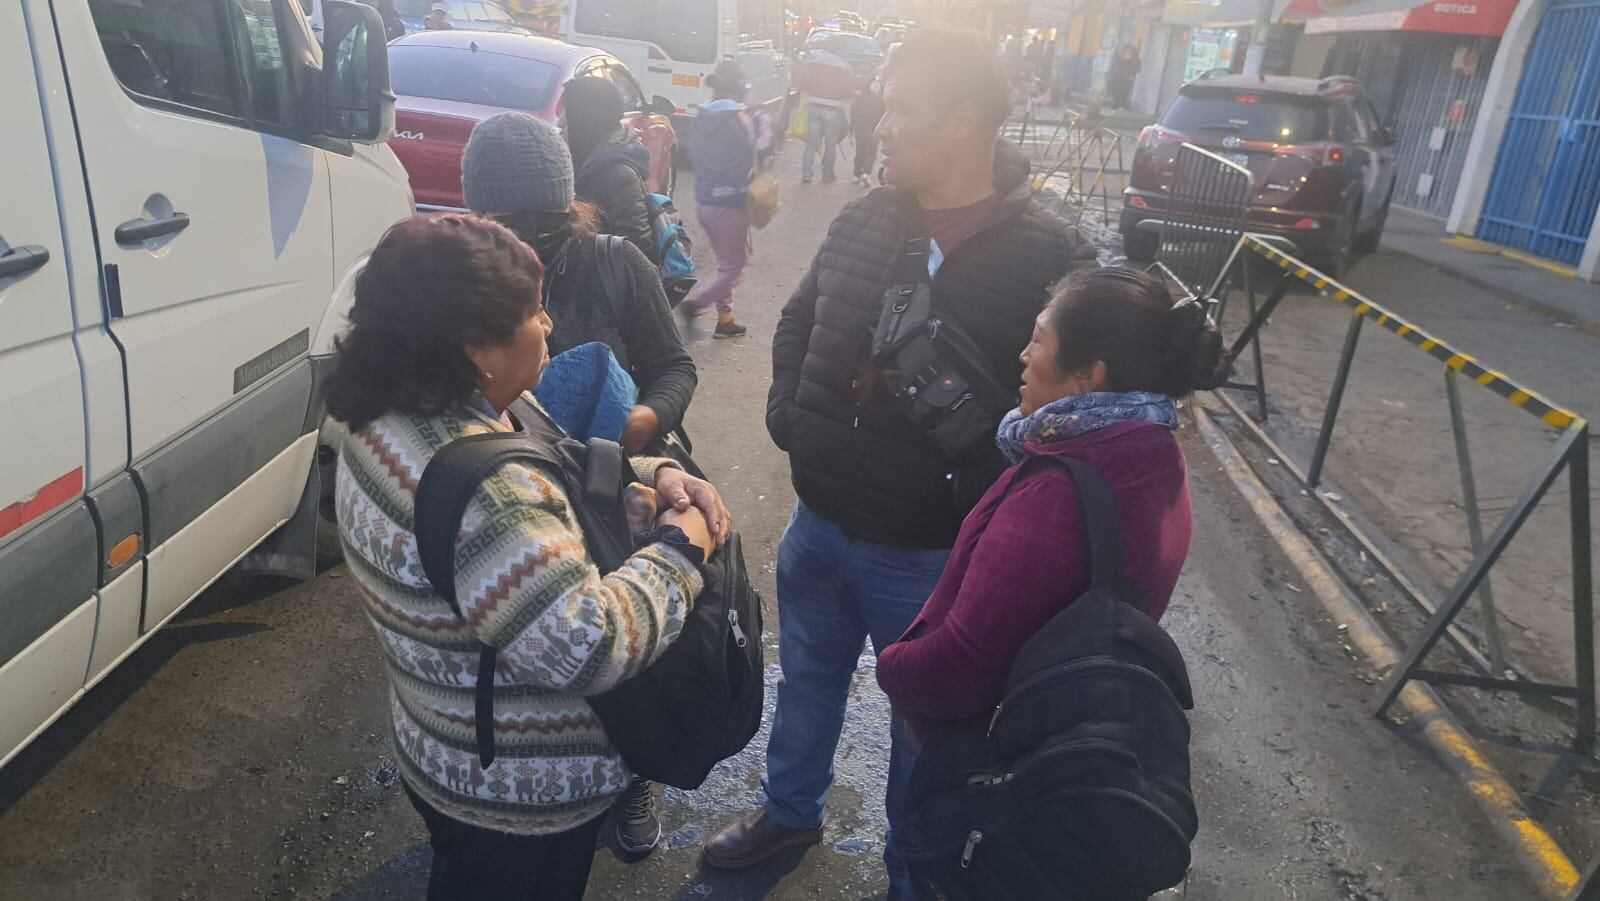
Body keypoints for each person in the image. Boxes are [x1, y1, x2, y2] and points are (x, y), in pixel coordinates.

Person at [702, 30, 1098, 898]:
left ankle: (911, 871)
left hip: (933, 556)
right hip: (819, 524)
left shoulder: (1052, 258)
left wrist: (975, 490)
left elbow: (1067, 408)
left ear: (964, 122)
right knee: (806, 680)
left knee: (929, 729)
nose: (879, 126)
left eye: (901, 109)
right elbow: (799, 319)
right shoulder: (866, 215)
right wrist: (790, 420)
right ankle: (788, 810)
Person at [326, 213, 731, 901]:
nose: (549, 325)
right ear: (477, 346)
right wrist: (683, 548)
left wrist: (652, 472)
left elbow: (555, 463)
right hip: (519, 796)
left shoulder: (395, 412)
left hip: (444, 742)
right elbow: (589, 646)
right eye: (534, 312)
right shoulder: (491, 497)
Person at [876, 267, 1227, 741]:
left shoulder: (1058, 491)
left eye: (1039, 340)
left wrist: (891, 666)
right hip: (1066, 720)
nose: (1023, 355)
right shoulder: (1153, 448)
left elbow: (959, 665)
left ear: (1088, 375)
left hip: (994, 741)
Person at [461, 111, 696, 460]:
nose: (532, 234)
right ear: (478, 216)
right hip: (508, 464)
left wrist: (649, 417)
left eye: (549, 217)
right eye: (510, 222)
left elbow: (673, 366)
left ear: (569, 204)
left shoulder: (617, 263)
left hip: (617, 465)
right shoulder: (459, 279)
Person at [681, 60, 757, 339]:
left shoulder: (702, 116)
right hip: (730, 203)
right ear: (740, 88)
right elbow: (759, 152)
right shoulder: (740, 118)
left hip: (705, 202)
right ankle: (694, 305)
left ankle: (725, 321)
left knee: (727, 264)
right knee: (734, 269)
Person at [561, 77, 658, 264]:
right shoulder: (579, 163)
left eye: (565, 125)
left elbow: (637, 250)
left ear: (584, 124)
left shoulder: (619, 176)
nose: (559, 128)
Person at [795, 38, 856, 183]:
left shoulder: (814, 60)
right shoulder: (844, 65)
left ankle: (807, 174)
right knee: (831, 144)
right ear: (838, 49)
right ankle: (827, 174)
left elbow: (802, 80)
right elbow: (849, 89)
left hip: (814, 105)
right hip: (832, 108)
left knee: (811, 143)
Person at [850, 78, 885, 188]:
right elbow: (883, 115)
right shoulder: (880, 100)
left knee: (860, 151)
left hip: (860, 128)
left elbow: (853, 113)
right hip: (873, 129)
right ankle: (866, 172)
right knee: (871, 152)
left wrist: (852, 127)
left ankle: (857, 174)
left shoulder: (860, 99)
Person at [1109, 44, 1141, 110]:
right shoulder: (1120, 57)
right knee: (1117, 91)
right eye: (1127, 51)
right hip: (1119, 77)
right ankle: (1115, 105)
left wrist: (1132, 73)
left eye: (1129, 51)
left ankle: (1121, 105)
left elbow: (1137, 68)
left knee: (1125, 91)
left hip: (1127, 78)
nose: (1128, 53)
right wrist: (1124, 59)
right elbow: (1117, 65)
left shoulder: (1135, 59)